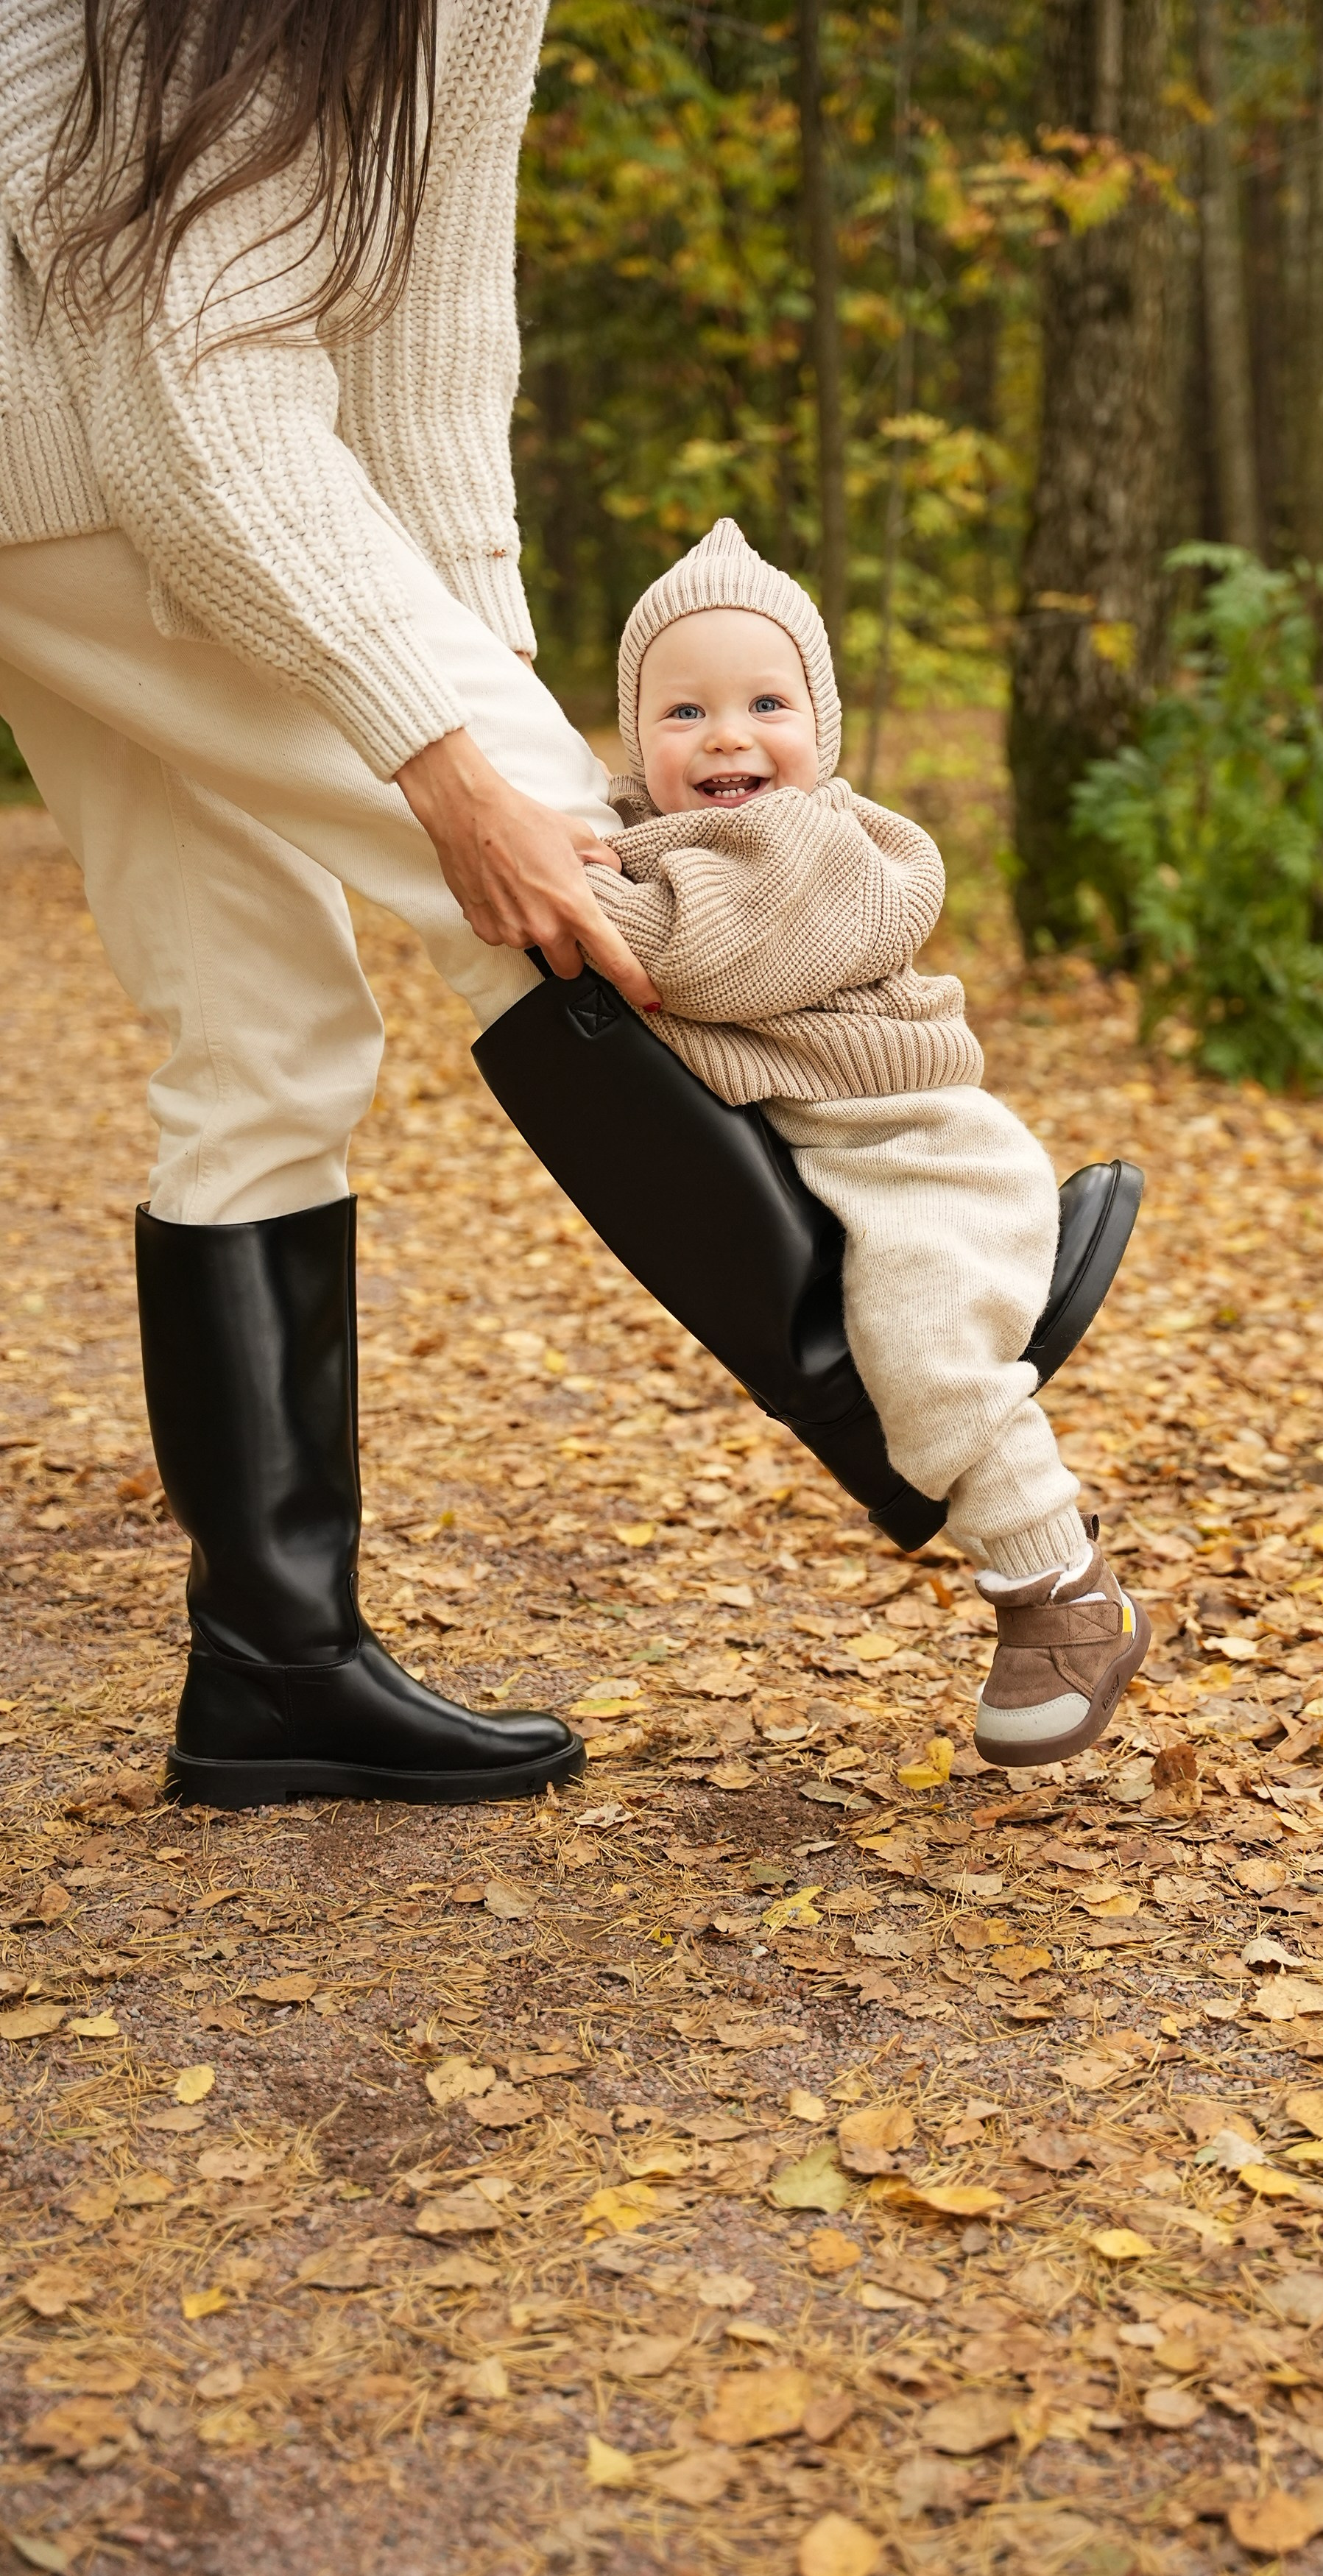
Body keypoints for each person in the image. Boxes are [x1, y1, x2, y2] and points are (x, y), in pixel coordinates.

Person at [0, 0, 816, 1809]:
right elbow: (195, 368)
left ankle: (272, 1670)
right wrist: (446, 758)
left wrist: (483, 640)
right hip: (86, 442)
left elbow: (430, 327)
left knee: (262, 1034)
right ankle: (892, 1341)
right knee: (577, 871)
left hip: (47, 458)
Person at [581, 521, 1149, 1766]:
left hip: (923, 1149)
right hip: (831, 1156)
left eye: (765, 704)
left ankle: (1063, 1588)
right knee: (856, 1352)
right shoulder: (651, 843)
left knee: (922, 1341)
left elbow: (704, 959)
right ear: (634, 740)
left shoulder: (825, 847)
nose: (726, 736)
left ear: (821, 730)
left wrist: (580, 880)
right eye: (683, 711)